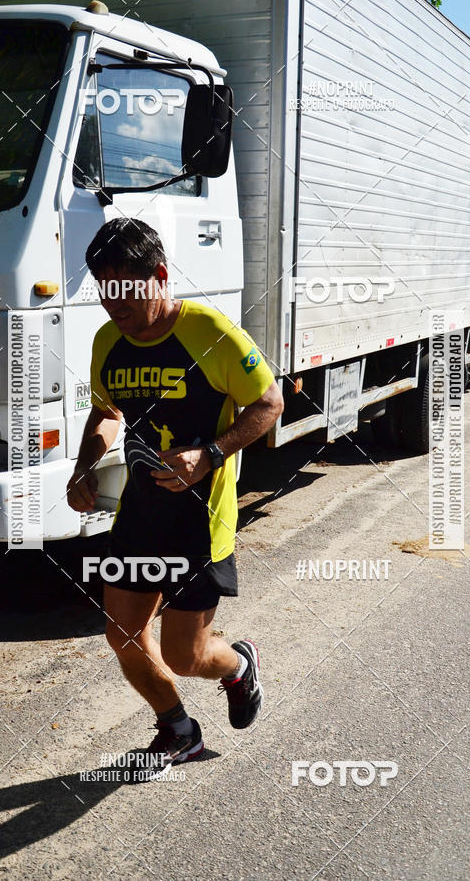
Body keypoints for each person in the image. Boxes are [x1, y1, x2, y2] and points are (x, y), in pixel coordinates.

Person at [67, 218, 283, 773]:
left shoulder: (209, 331)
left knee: (186, 656)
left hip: (199, 522)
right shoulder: (108, 341)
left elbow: (269, 404)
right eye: (104, 291)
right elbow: (106, 412)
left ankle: (237, 666)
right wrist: (83, 467)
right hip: (140, 515)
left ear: (160, 276)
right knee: (123, 635)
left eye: (126, 290)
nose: (115, 305)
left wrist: (209, 454)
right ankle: (179, 731)